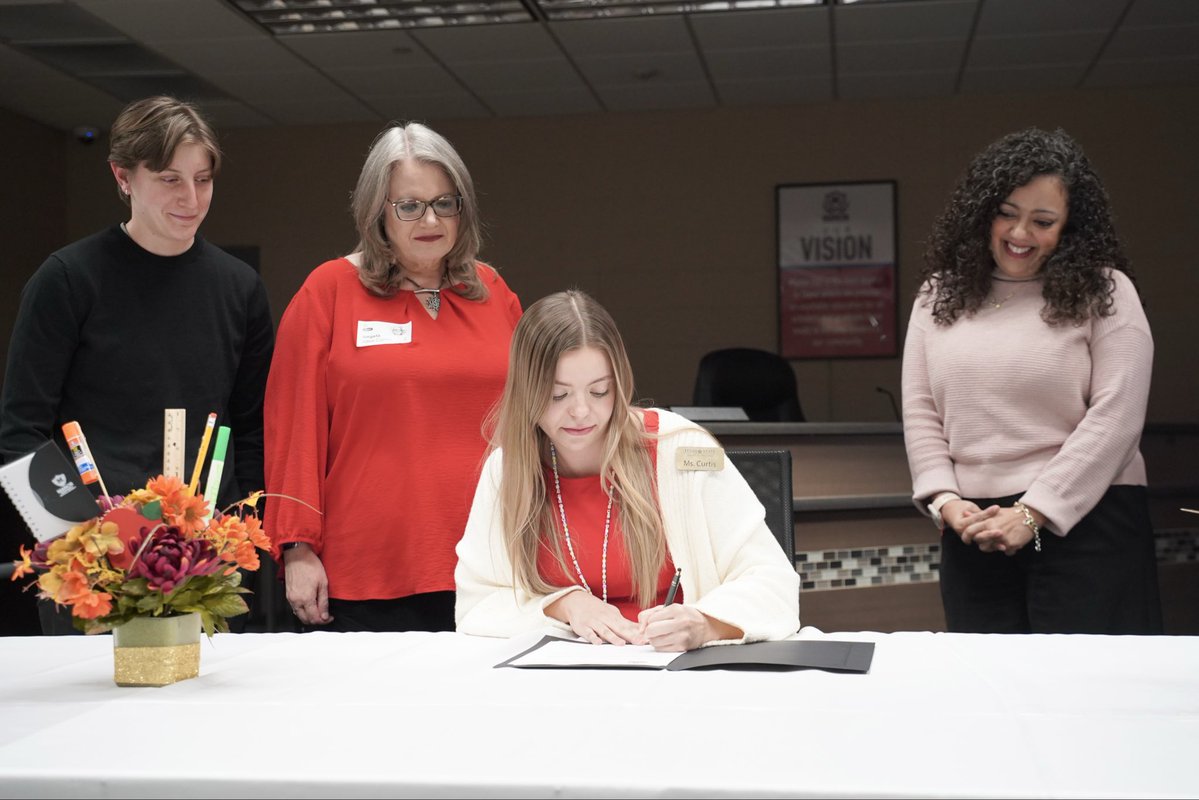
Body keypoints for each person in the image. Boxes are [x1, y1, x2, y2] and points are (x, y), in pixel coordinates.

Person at [0, 95, 274, 634]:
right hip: (89, 563)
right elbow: (21, 432)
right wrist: (77, 537)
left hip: (201, 563)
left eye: (203, 179)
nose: (191, 199)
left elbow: (252, 430)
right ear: (123, 176)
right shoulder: (68, 280)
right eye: (170, 179)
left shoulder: (239, 288)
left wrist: (238, 535)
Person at [901, 127, 1162, 635]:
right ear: (982, 212)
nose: (1020, 234)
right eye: (1006, 213)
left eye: (1043, 221)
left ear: (1069, 228)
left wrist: (1034, 513)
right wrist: (945, 502)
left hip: (1088, 522)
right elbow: (921, 411)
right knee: (990, 697)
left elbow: (1118, 416)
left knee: (1090, 698)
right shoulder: (938, 295)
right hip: (973, 529)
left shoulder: (1105, 291)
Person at [265, 122, 522, 633]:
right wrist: (296, 547)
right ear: (376, 212)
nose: (429, 219)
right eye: (409, 206)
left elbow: (536, 421)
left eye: (444, 203)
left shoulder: (493, 291)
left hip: (490, 566)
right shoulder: (329, 291)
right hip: (366, 571)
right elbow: (293, 431)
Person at [455, 290, 799, 650]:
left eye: (599, 391)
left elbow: (774, 582)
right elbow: (476, 605)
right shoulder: (507, 469)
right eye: (558, 395)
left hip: (674, 670)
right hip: (559, 680)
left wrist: (705, 624)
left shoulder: (682, 449)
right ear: (526, 391)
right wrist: (565, 605)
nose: (581, 412)